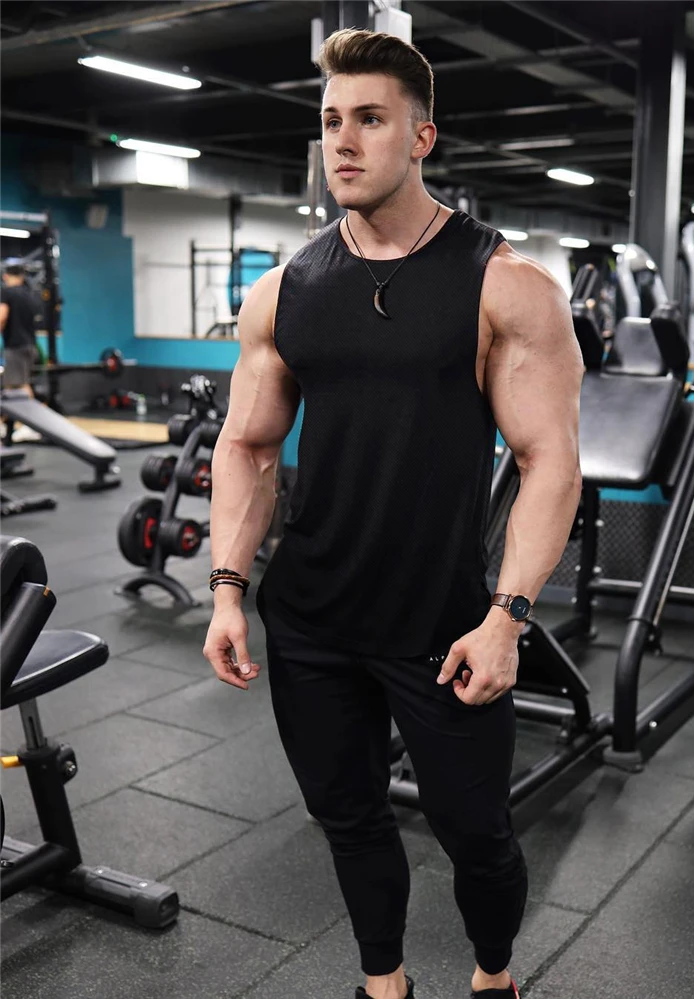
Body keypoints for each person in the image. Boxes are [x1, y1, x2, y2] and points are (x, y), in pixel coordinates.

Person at [203, 28, 583, 999]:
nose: (342, 139)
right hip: (313, 617)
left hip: (442, 625)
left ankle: (493, 977)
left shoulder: (504, 284)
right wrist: (227, 591)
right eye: (331, 119)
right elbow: (246, 446)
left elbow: (548, 461)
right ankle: (385, 985)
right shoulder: (284, 291)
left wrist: (507, 618)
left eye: (369, 118)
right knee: (349, 819)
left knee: (477, 835)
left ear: (421, 137)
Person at [0, 261, 42, 442]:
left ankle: (31, 425)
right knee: (11, 386)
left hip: (16, 346)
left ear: (5, 276)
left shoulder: (7, 293)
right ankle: (4, 425)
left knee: (20, 386)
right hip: (30, 346)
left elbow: (2, 317)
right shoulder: (28, 294)